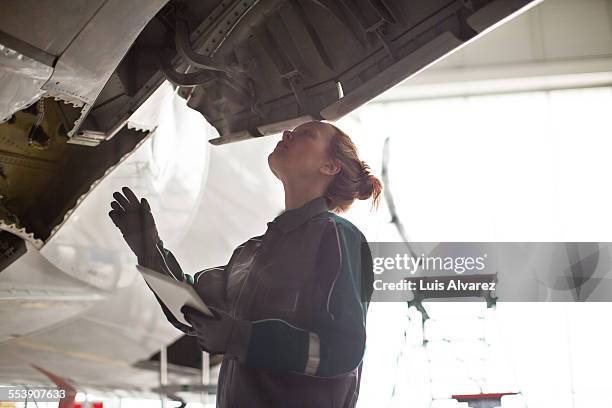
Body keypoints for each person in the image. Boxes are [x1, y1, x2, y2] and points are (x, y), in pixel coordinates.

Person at [108, 120, 382, 407]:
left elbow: (343, 349)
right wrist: (149, 250)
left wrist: (240, 338)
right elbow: (191, 312)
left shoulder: (339, 237)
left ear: (330, 166)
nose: (288, 133)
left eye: (306, 134)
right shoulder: (252, 252)